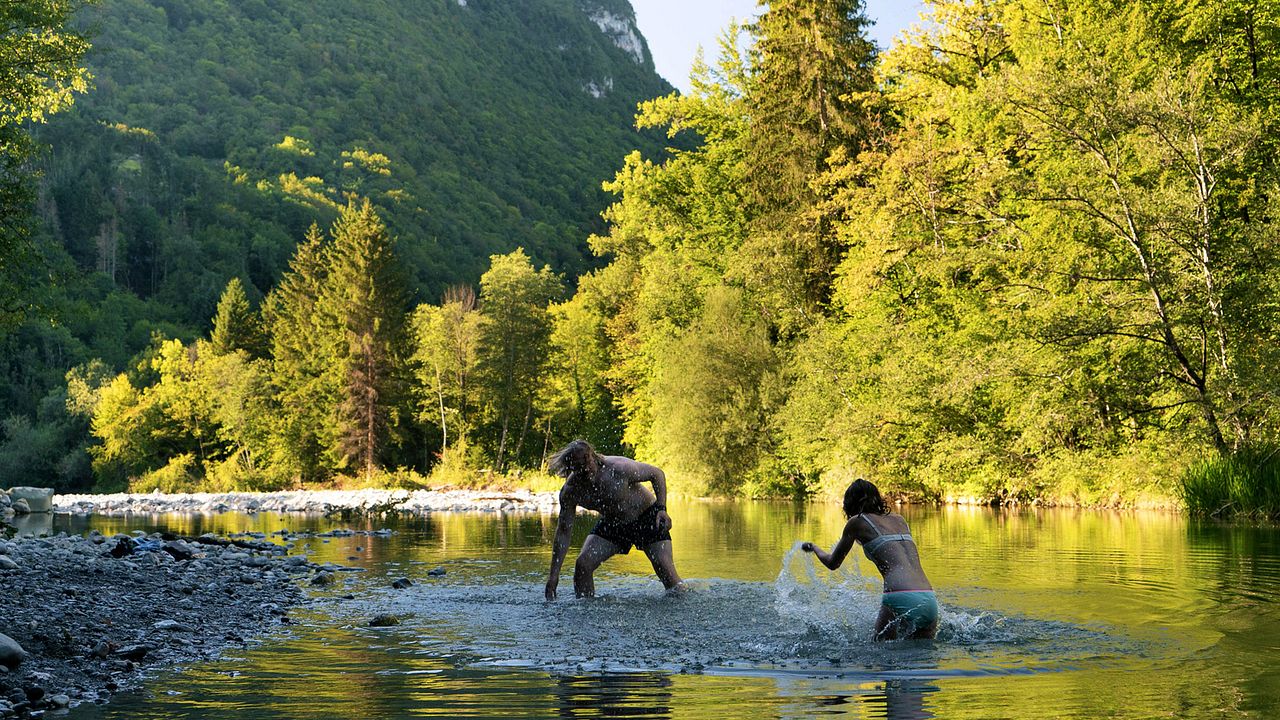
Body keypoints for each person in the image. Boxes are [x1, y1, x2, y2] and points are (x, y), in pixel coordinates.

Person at [800, 478, 939, 640]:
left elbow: (833, 563)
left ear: (850, 503)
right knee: (921, 657)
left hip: (899, 595)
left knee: (881, 653)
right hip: (928, 598)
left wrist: (814, 548)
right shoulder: (899, 520)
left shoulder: (857, 522)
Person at [544, 439, 683, 599]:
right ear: (571, 469)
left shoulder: (619, 468)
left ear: (593, 458)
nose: (587, 474)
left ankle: (686, 606)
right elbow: (563, 533)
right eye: (581, 471)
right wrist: (553, 577)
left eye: (589, 467)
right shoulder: (571, 491)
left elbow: (656, 473)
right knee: (583, 565)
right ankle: (585, 611)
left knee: (669, 578)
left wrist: (661, 509)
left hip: (647, 518)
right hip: (613, 523)